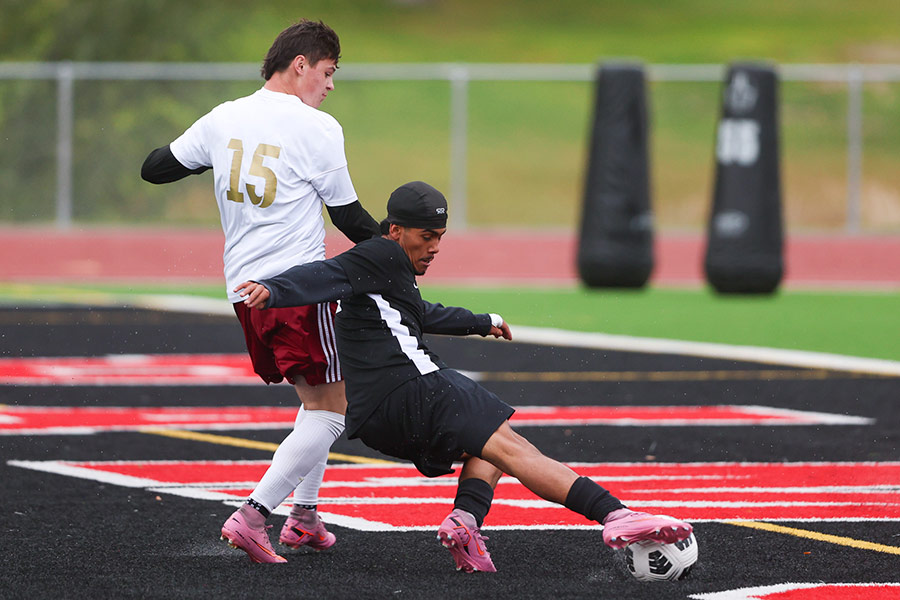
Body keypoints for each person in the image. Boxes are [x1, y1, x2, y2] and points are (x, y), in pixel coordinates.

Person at [235, 180, 694, 573]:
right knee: (513, 448)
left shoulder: (387, 274)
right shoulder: (379, 252)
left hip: (377, 418)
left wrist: (481, 321)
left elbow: (420, 313)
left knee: (489, 442)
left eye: (440, 236)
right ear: (395, 231)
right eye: (426, 236)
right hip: (417, 389)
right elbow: (327, 272)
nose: (434, 247)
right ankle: (616, 515)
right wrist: (274, 289)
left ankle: (465, 523)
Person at [140, 19, 381, 563]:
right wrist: (398, 253)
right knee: (333, 410)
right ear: (301, 64)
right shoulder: (317, 127)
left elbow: (154, 169)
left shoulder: (224, 117)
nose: (330, 85)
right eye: (327, 72)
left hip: (243, 291)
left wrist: (211, 156)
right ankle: (255, 514)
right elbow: (348, 217)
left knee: (317, 399)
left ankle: (305, 516)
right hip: (297, 289)